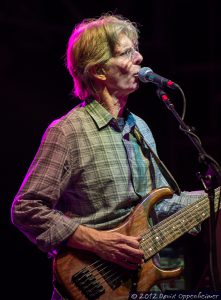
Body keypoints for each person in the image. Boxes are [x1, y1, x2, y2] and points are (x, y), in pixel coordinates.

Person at [11, 14, 205, 299]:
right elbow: (26, 209)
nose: (140, 57)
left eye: (136, 49)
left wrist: (211, 197)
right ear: (100, 71)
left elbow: (161, 204)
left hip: (143, 283)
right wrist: (98, 242)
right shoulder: (68, 132)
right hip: (91, 283)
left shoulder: (141, 128)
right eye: (128, 52)